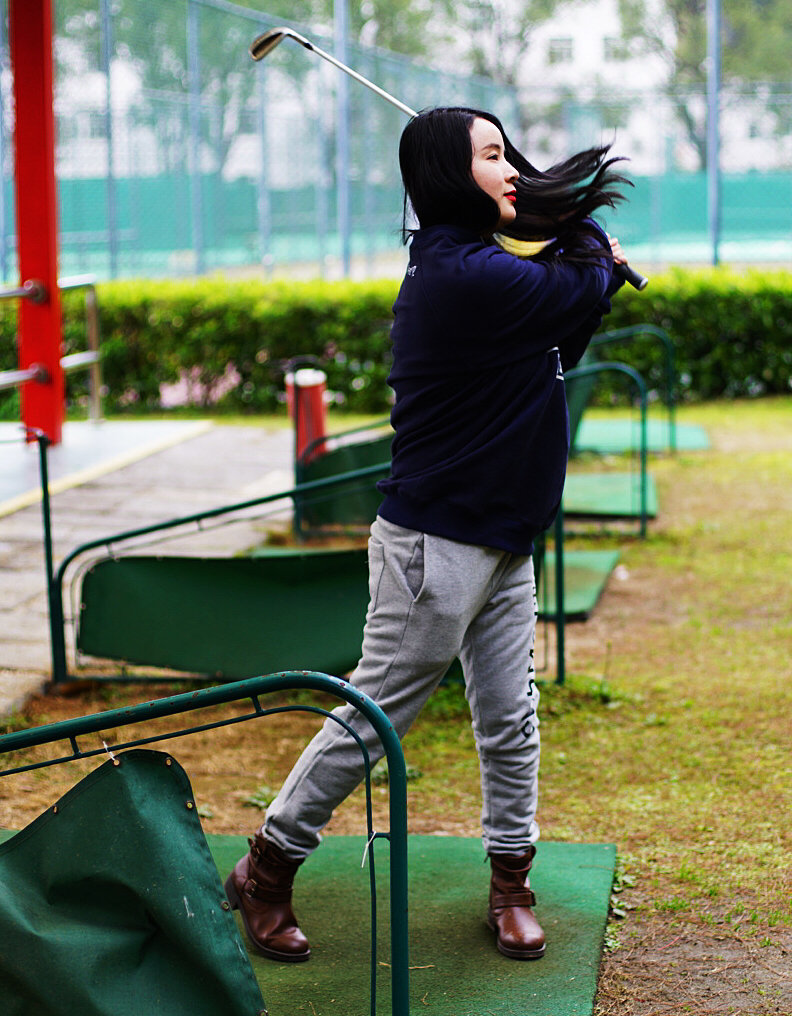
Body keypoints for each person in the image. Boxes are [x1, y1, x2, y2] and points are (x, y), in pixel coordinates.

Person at [225, 106, 631, 964]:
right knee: (374, 721)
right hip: (433, 548)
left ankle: (511, 882)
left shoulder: (486, 269)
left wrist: (580, 251)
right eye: (494, 155)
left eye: (511, 154)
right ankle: (266, 868)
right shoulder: (459, 277)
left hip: (504, 535)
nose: (514, 169)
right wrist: (588, 245)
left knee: (510, 719)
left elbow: (567, 327)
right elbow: (571, 292)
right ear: (451, 176)